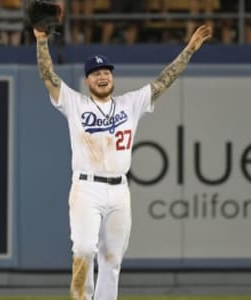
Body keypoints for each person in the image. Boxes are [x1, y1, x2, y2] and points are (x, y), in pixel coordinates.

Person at [33, 24, 212, 300]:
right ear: (88, 80)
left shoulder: (130, 103)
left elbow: (164, 80)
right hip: (86, 188)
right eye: (96, 74)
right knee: (83, 249)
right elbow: (48, 76)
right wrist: (42, 42)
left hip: (119, 191)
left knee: (112, 259)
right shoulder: (76, 103)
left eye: (106, 72)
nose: (102, 77)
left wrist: (188, 50)